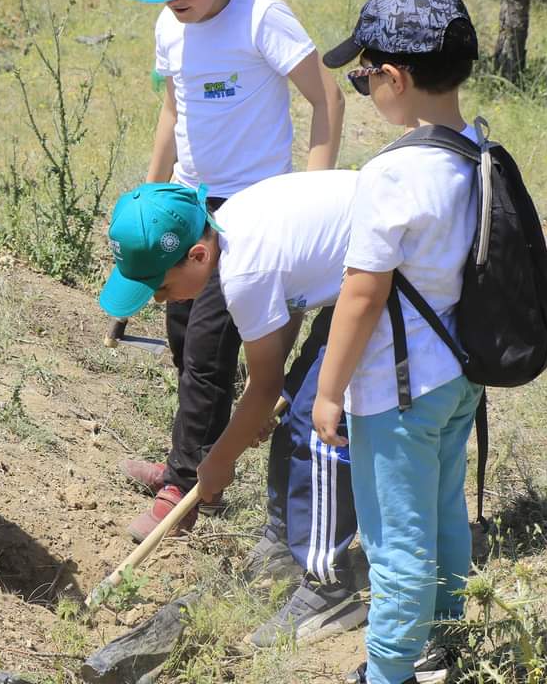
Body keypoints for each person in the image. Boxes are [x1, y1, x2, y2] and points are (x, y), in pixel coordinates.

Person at [113, 0, 345, 543]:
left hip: (254, 215)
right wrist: (150, 195)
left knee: (208, 353)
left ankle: (187, 487)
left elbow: (329, 98)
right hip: (186, 207)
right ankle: (192, 458)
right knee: (182, 340)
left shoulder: (263, 19)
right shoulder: (171, 26)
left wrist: (307, 193)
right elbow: (173, 113)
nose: (172, 2)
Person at [98, 171, 367, 647]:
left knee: (313, 425)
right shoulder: (229, 229)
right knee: (297, 402)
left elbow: (263, 387)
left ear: (197, 255)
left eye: (160, 288)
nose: (161, 301)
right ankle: (285, 542)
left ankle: (330, 585)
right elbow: (287, 309)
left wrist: (217, 461)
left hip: (393, 274)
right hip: (352, 272)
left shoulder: (242, 272)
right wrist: (262, 406)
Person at [311, 0, 484, 684]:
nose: (362, 86)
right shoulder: (473, 150)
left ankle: (387, 671)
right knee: (445, 518)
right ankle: (446, 641)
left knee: (396, 539)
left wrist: (328, 392)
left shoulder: (392, 176)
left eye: (361, 76)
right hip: (458, 376)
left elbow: (360, 294)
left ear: (394, 76)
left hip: (397, 390)